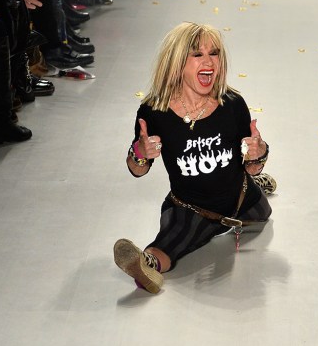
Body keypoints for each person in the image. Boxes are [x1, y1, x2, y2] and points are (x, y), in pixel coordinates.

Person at [113, 23, 274, 294]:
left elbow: (252, 165)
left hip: (241, 199)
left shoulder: (232, 104)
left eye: (215, 53)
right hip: (191, 207)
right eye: (197, 55)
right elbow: (138, 170)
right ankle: (146, 265)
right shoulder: (154, 111)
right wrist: (140, 153)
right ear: (177, 63)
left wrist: (259, 153)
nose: (209, 62)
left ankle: (264, 187)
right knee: (174, 239)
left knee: (263, 212)